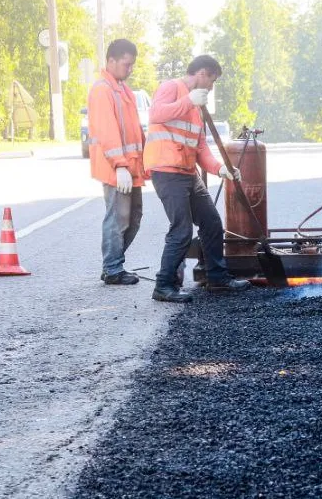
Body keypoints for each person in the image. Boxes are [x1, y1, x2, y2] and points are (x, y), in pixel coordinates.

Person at [144, 54, 250, 303]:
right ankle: (163, 285)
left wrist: (221, 169)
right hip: (167, 172)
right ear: (202, 73)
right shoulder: (172, 88)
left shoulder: (197, 109)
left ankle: (218, 279)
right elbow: (156, 114)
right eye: (211, 82)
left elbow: (200, 148)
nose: (211, 88)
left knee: (212, 222)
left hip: (187, 173)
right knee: (181, 229)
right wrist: (188, 100)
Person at [87, 38, 145, 286]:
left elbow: (134, 131)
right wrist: (120, 165)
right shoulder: (103, 90)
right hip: (116, 168)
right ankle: (112, 268)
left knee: (134, 217)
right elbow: (108, 131)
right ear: (111, 61)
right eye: (126, 64)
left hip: (129, 167)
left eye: (132, 65)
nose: (129, 69)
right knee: (119, 218)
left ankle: (113, 264)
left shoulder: (122, 89)